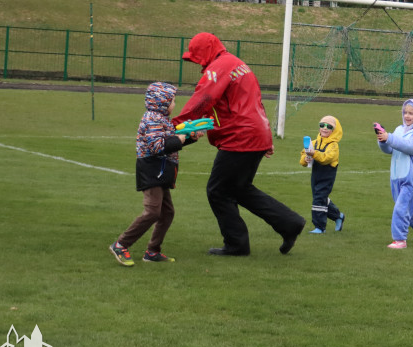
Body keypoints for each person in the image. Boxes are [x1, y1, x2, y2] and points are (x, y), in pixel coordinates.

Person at [174, 32, 305, 256]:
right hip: (255, 133)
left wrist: (175, 125)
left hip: (239, 137)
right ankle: (289, 223)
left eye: (196, 56)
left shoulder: (218, 68)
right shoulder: (238, 64)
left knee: (217, 191)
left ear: (206, 51)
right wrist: (266, 138)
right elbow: (255, 102)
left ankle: (237, 244)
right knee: (239, 188)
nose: (196, 62)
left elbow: (204, 98)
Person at [109, 82, 198, 266]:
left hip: (161, 170)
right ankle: (121, 244)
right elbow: (158, 147)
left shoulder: (162, 119)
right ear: (162, 102)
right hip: (151, 169)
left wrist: (189, 138)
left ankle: (152, 251)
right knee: (152, 211)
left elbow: (171, 144)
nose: (174, 104)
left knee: (167, 213)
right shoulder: (152, 119)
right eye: (172, 100)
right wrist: (180, 138)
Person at [376, 99, 413, 249]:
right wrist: (383, 140)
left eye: (411, 113)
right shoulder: (399, 129)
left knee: (400, 208)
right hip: (396, 176)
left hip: (411, 177)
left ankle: (400, 239)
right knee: (403, 207)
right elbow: (390, 149)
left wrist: (390, 138)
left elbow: (410, 147)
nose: (407, 116)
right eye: (405, 112)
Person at [300, 115, 346, 234]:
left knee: (318, 198)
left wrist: (314, 154)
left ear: (334, 130)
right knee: (320, 198)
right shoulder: (313, 143)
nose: (324, 128)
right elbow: (302, 157)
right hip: (315, 175)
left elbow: (327, 158)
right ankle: (338, 216)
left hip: (327, 176)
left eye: (329, 127)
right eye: (322, 125)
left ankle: (319, 227)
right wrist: (306, 159)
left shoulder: (333, 146)